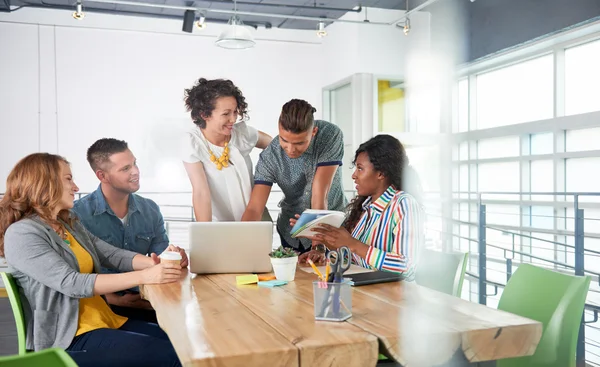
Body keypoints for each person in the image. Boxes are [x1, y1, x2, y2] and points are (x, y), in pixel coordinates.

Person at [0, 153, 182, 366]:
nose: (76, 187)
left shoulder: (68, 225)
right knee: (171, 355)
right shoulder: (22, 234)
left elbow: (110, 254)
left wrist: (156, 262)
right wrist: (145, 276)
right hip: (69, 337)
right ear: (43, 182)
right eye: (68, 179)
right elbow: (72, 283)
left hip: (105, 321)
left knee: (181, 343)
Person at [73, 138, 188, 323]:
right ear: (102, 176)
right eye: (125, 169)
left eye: (134, 164)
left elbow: (159, 259)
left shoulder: (150, 209)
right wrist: (114, 299)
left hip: (149, 300)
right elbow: (75, 278)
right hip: (103, 307)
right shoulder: (76, 215)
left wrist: (175, 257)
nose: (135, 172)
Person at [308, 135, 425, 279]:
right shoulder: (365, 207)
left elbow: (406, 266)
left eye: (360, 168)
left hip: (394, 296)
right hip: (366, 290)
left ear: (381, 173)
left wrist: (353, 244)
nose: (354, 175)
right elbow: (357, 260)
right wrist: (326, 245)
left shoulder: (404, 204)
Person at [242, 99, 347, 259]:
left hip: (331, 227)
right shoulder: (270, 156)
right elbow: (255, 208)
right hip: (291, 230)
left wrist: (318, 247)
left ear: (313, 132)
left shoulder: (329, 135)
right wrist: (241, 244)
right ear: (279, 129)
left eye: (299, 143)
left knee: (336, 278)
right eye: (284, 140)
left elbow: (319, 195)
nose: (291, 149)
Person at [181, 78, 272, 222]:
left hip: (256, 220)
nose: (233, 119)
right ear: (204, 114)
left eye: (235, 112)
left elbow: (278, 145)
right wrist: (205, 235)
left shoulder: (242, 134)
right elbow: (201, 193)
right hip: (222, 227)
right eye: (226, 114)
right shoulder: (193, 143)